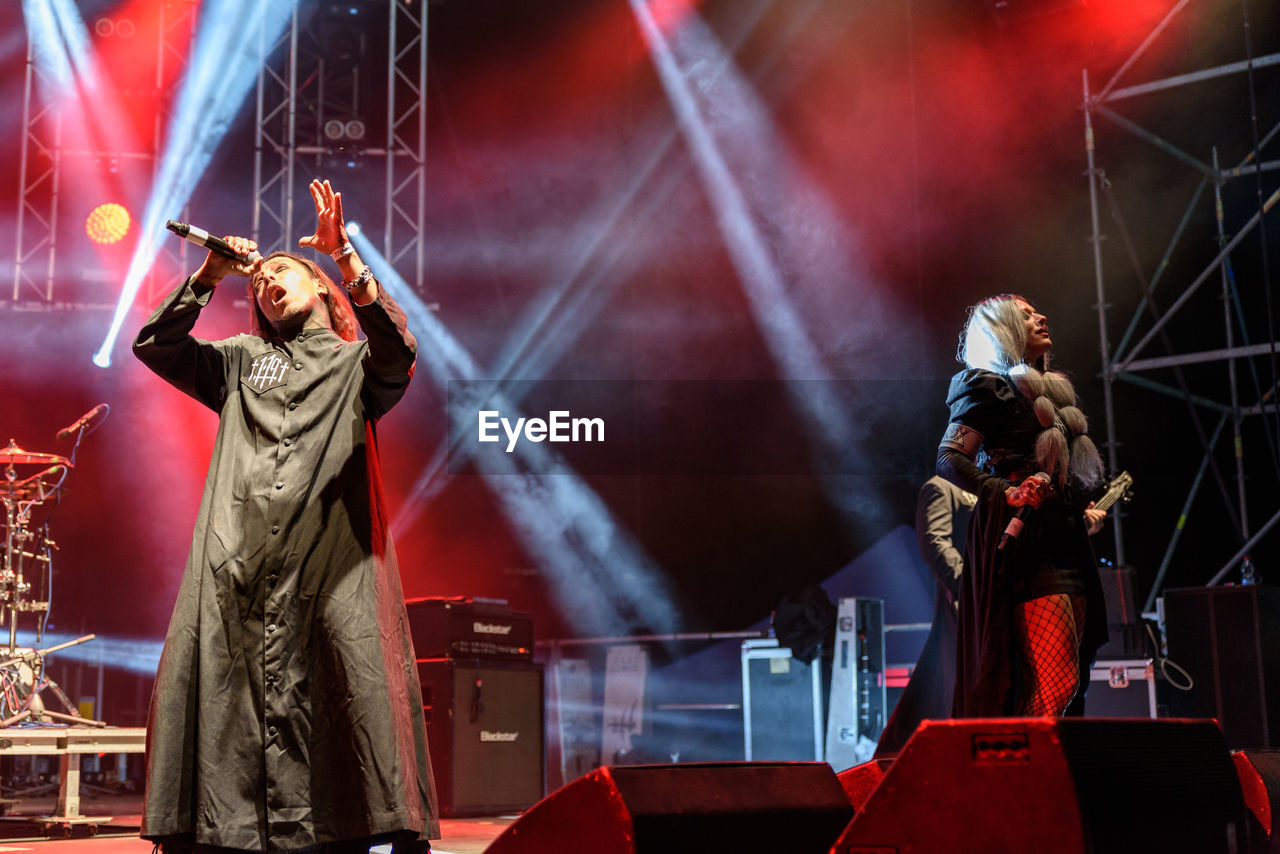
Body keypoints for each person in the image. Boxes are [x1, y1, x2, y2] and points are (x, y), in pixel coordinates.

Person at [133, 179, 438, 853]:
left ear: (323, 290)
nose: (267, 281)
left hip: (329, 568)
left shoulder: (359, 363)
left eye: (283, 272)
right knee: (226, 699)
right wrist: (209, 276)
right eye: (261, 279)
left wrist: (345, 256)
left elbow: (401, 352)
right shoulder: (243, 361)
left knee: (340, 697)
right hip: (238, 566)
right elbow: (157, 345)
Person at [936, 295, 1108, 718]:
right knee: (1057, 681)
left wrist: (1077, 512)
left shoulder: (1050, 399)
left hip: (1065, 545)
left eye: (1037, 312)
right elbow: (948, 459)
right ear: (1004, 329)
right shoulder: (987, 387)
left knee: (1071, 685)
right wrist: (1004, 491)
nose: (1041, 316)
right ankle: (1021, 776)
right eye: (1027, 315)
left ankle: (1043, 775)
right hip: (1023, 549)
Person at [873, 475, 975, 758]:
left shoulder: (993, 488)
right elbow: (934, 542)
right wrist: (966, 586)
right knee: (957, 683)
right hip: (964, 604)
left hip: (989, 601)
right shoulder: (941, 487)